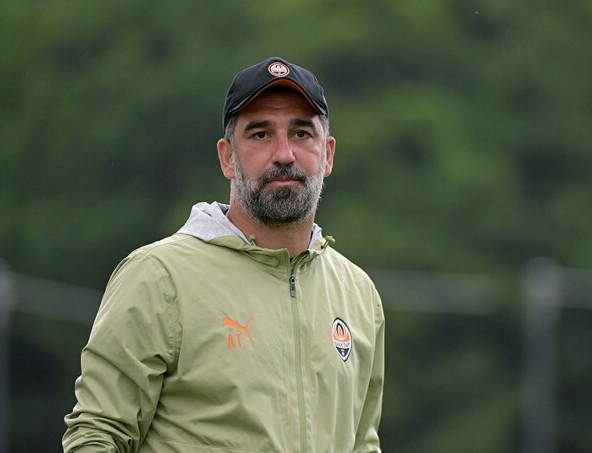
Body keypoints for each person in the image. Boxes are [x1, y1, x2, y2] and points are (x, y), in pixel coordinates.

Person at [63, 56, 385, 452]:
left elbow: (363, 445)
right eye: (260, 134)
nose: (284, 153)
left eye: (301, 133)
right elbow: (96, 436)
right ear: (227, 157)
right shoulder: (159, 277)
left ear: (328, 154)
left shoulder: (359, 294)